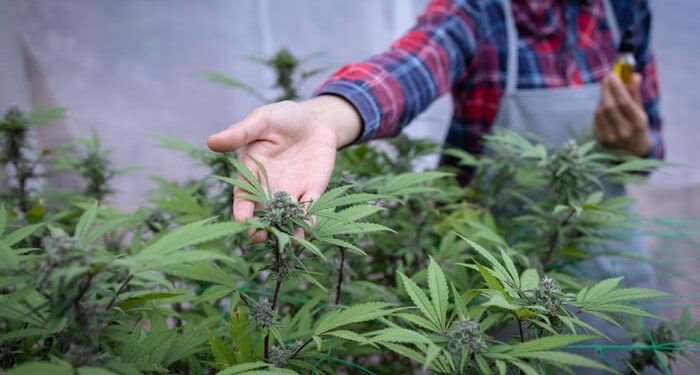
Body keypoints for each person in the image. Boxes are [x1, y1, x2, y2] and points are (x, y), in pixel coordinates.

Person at [207, 0, 662, 228]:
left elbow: (652, 150)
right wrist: (327, 116)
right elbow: (410, 68)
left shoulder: (624, 11)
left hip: (603, 234)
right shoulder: (474, 11)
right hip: (487, 248)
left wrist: (633, 142)